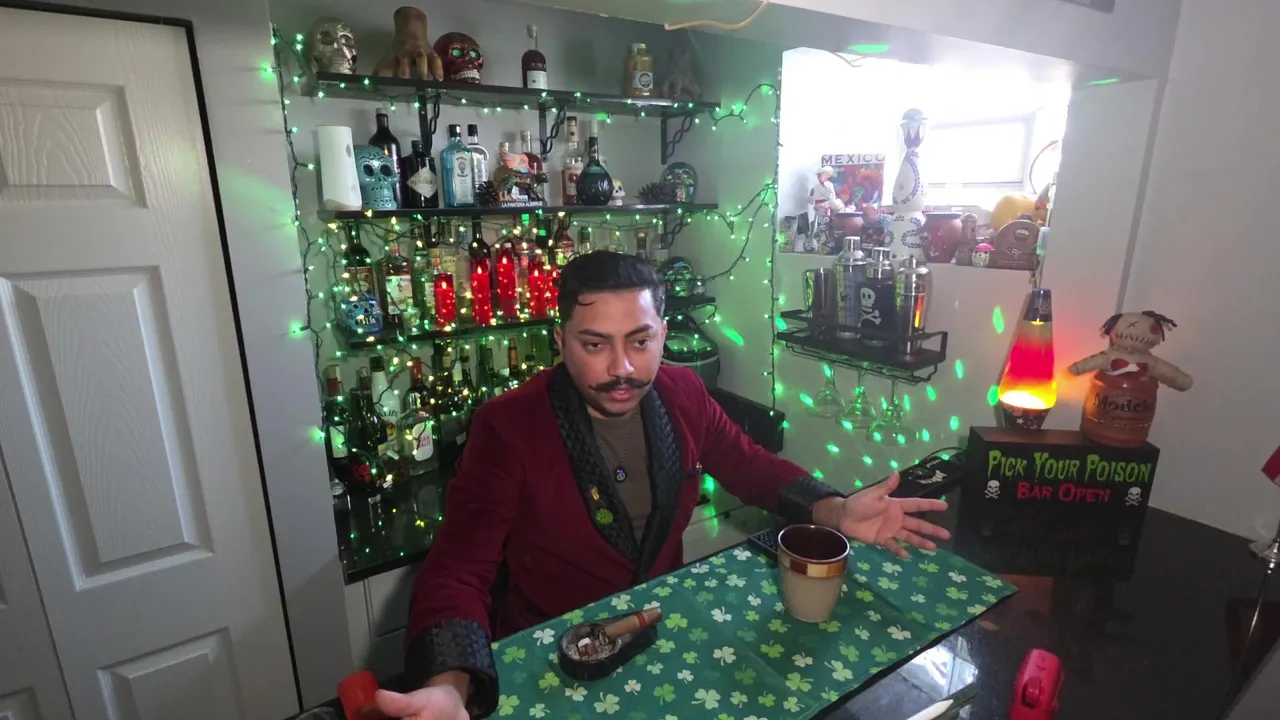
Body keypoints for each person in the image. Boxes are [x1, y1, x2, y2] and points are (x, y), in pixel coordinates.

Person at [375, 252, 949, 719]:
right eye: (594, 344)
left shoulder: (684, 393)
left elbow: (751, 466)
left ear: (664, 334)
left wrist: (833, 509)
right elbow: (458, 567)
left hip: (655, 633)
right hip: (552, 652)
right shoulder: (508, 424)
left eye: (640, 341)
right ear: (560, 339)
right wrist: (447, 685)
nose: (621, 367)